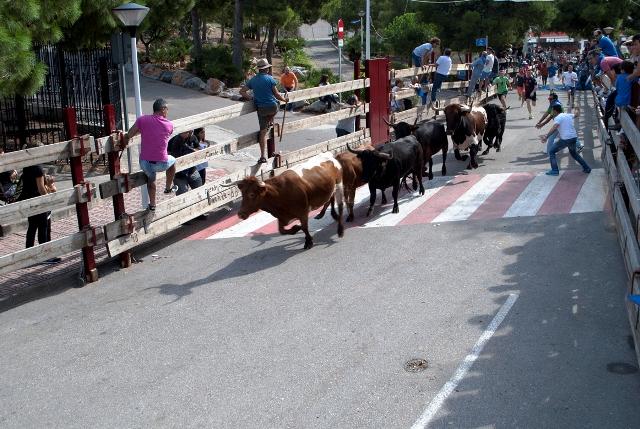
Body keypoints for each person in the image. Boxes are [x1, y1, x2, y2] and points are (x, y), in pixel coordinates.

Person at [122, 98, 177, 212]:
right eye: (167, 109)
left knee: (151, 179)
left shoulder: (142, 120)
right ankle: (168, 188)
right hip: (161, 164)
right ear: (163, 109)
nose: (167, 112)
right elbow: (163, 133)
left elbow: (130, 134)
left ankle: (152, 205)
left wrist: (134, 134)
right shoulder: (169, 125)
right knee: (173, 161)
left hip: (144, 163)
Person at [240, 58, 287, 165]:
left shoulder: (253, 80)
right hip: (273, 107)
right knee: (276, 104)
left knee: (262, 133)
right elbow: (276, 94)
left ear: (259, 69)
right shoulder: (270, 79)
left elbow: (242, 91)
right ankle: (270, 120)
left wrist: (251, 98)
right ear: (266, 69)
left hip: (261, 109)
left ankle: (262, 156)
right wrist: (284, 100)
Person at [540, 105, 591, 176]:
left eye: (552, 111)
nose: (551, 112)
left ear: (555, 111)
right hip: (574, 138)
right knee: (574, 154)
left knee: (551, 151)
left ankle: (554, 170)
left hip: (566, 139)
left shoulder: (557, 118)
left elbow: (555, 127)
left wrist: (546, 136)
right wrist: (577, 108)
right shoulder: (568, 115)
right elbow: (576, 114)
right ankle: (587, 168)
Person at [168, 130, 203, 196]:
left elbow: (199, 149)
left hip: (192, 171)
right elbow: (169, 156)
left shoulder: (193, 137)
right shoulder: (173, 141)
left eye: (191, 131)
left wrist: (194, 151)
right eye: (187, 131)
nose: (190, 133)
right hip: (179, 175)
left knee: (201, 192)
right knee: (182, 197)